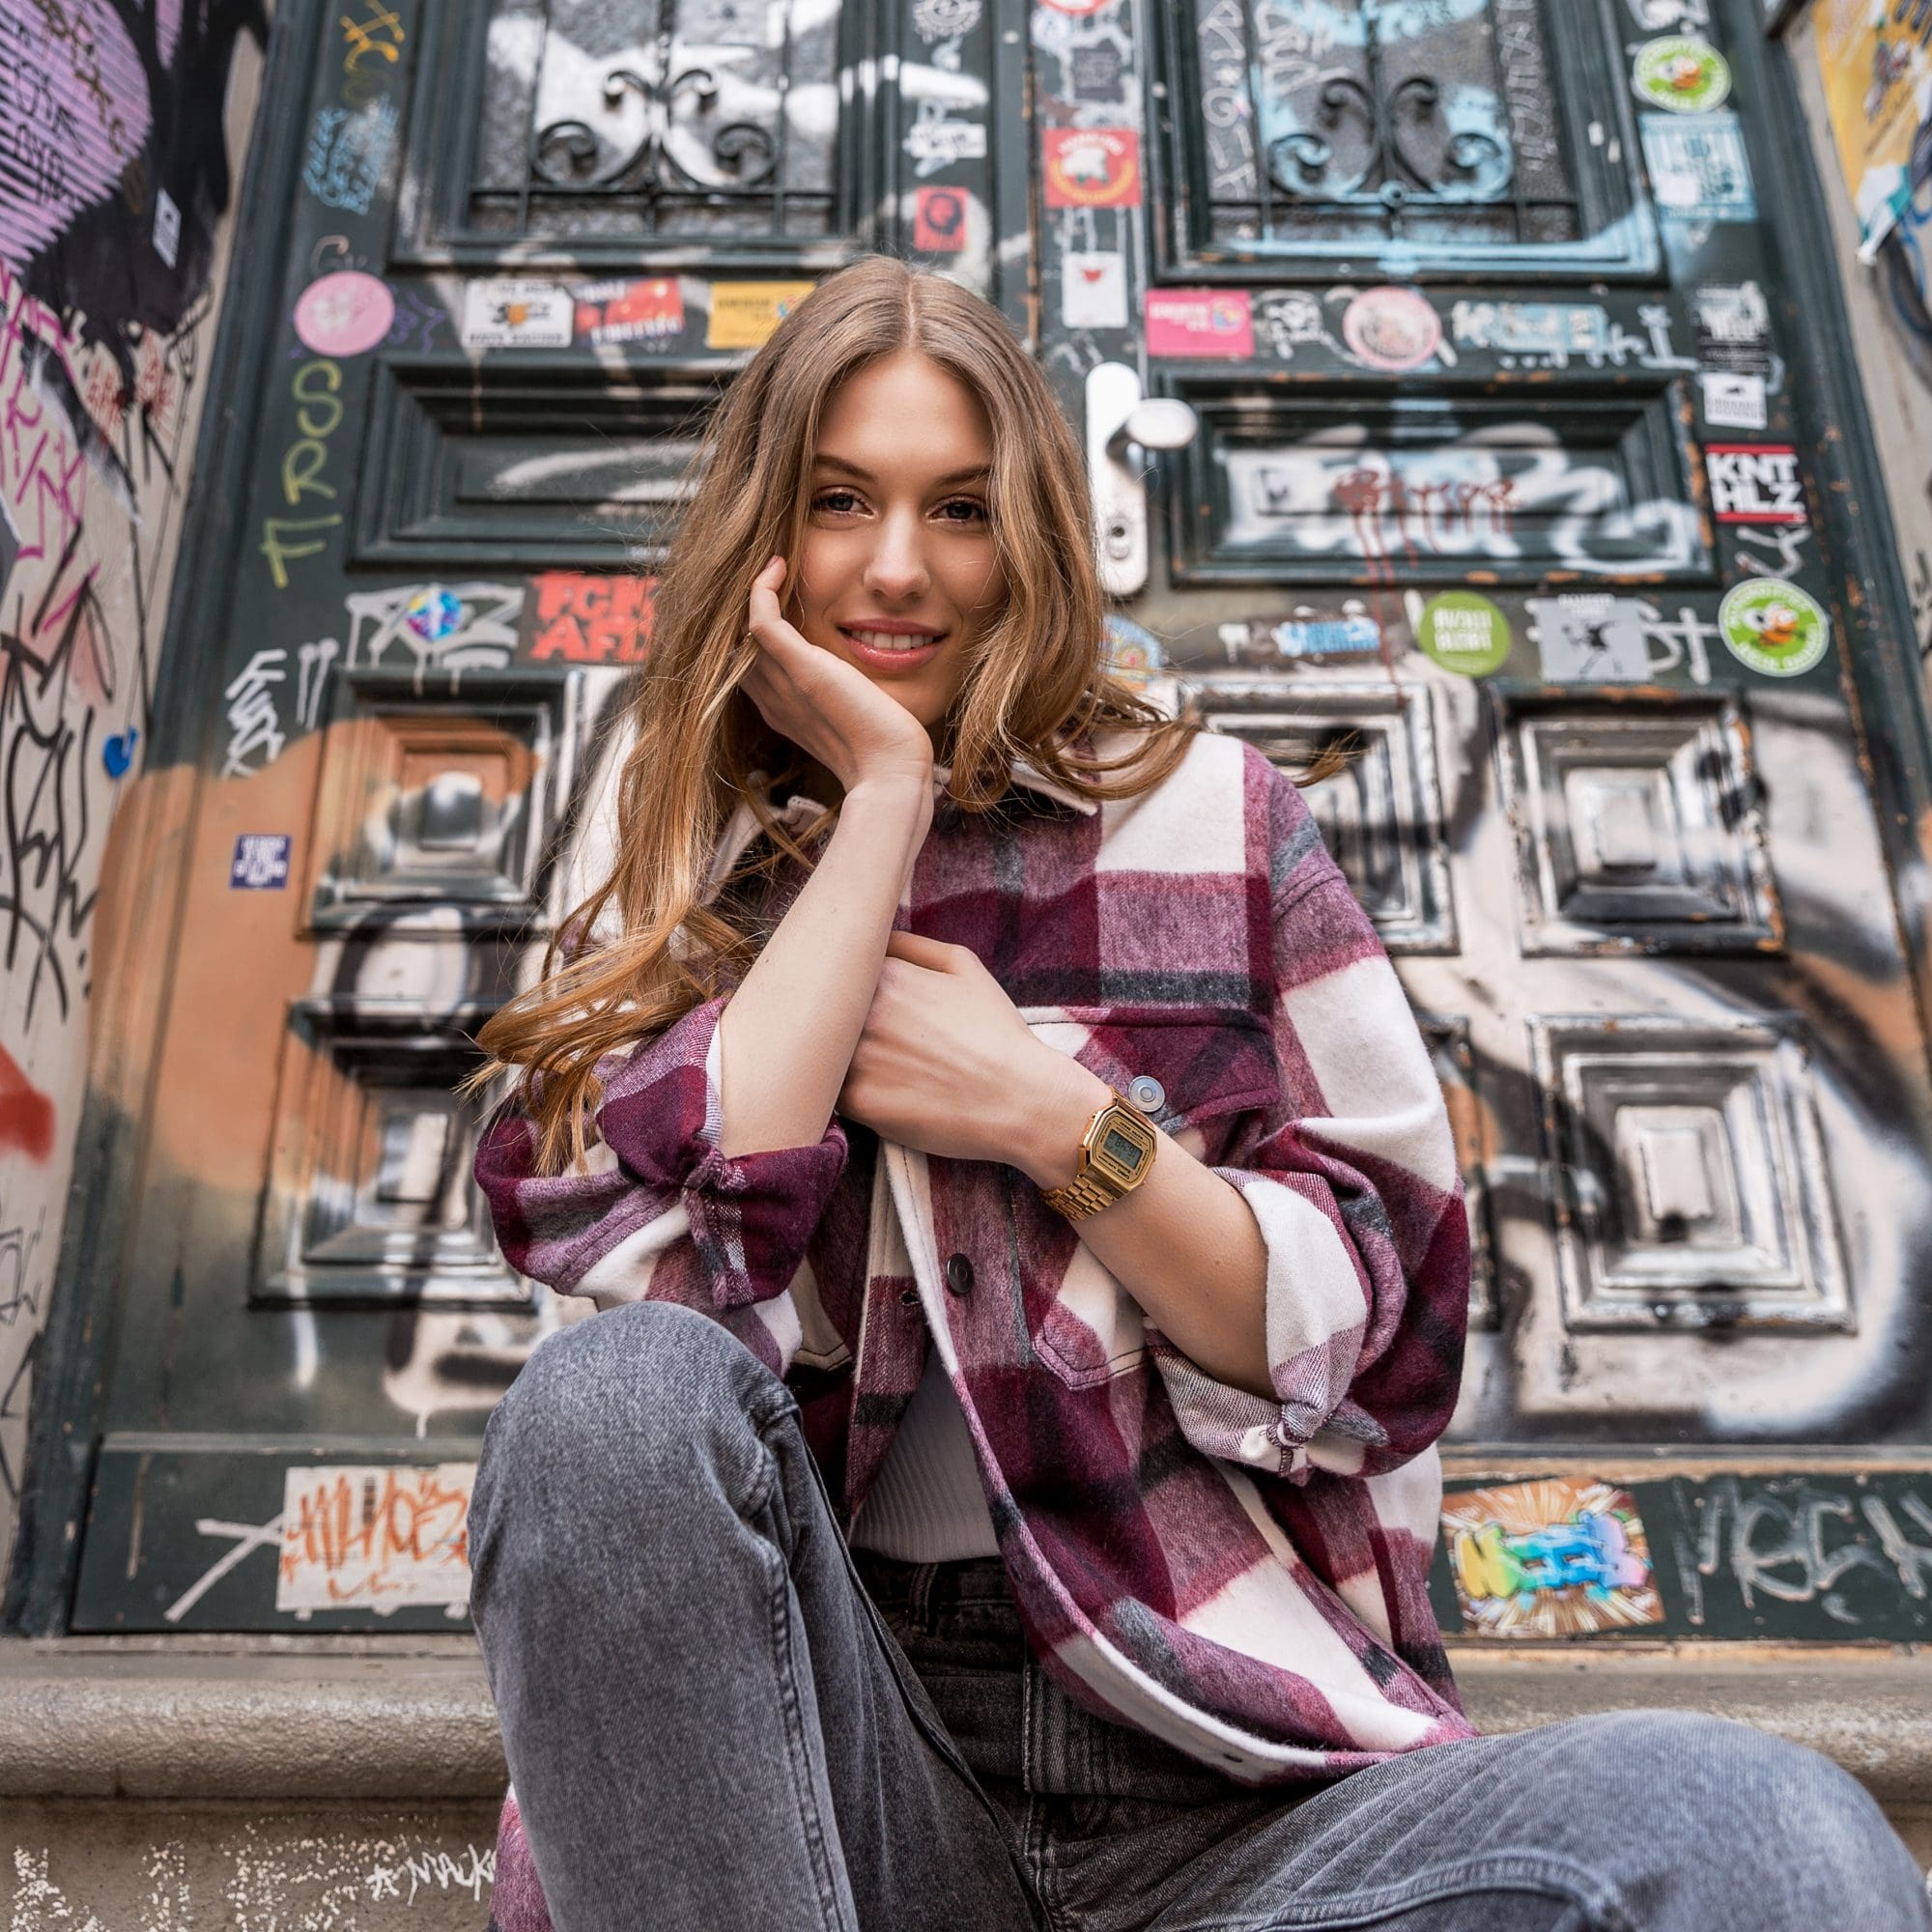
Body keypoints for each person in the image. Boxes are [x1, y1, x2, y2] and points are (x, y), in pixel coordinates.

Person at [465, 256, 1928, 1932]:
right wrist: (879, 803)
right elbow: (658, 1326)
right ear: (764, 526)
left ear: (1033, 534)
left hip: (1229, 1771)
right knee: (605, 1414)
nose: (898, 565)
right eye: (842, 499)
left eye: (961, 508)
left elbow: (1381, 1347)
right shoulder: (668, 860)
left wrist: (1048, 1117)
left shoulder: (1212, 819)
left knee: (1767, 1840)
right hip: (828, 1787)